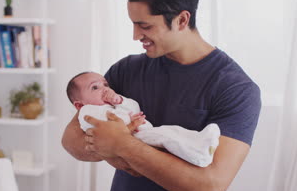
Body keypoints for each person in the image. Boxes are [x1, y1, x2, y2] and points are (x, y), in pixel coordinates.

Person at [61, 0, 261, 191]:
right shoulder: (126, 70)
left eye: (144, 26)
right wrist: (109, 147)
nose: (135, 35)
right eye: (133, 24)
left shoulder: (235, 88)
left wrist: (123, 146)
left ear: (181, 20)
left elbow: (211, 185)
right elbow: (71, 139)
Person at [67, 71, 220, 167]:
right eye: (95, 87)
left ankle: (200, 140)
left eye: (105, 84)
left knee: (172, 131)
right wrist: (130, 122)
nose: (105, 88)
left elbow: (134, 108)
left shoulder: (112, 104)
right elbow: (112, 126)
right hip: (136, 139)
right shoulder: (87, 112)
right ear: (80, 104)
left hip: (142, 132)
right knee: (167, 138)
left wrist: (120, 101)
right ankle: (198, 155)